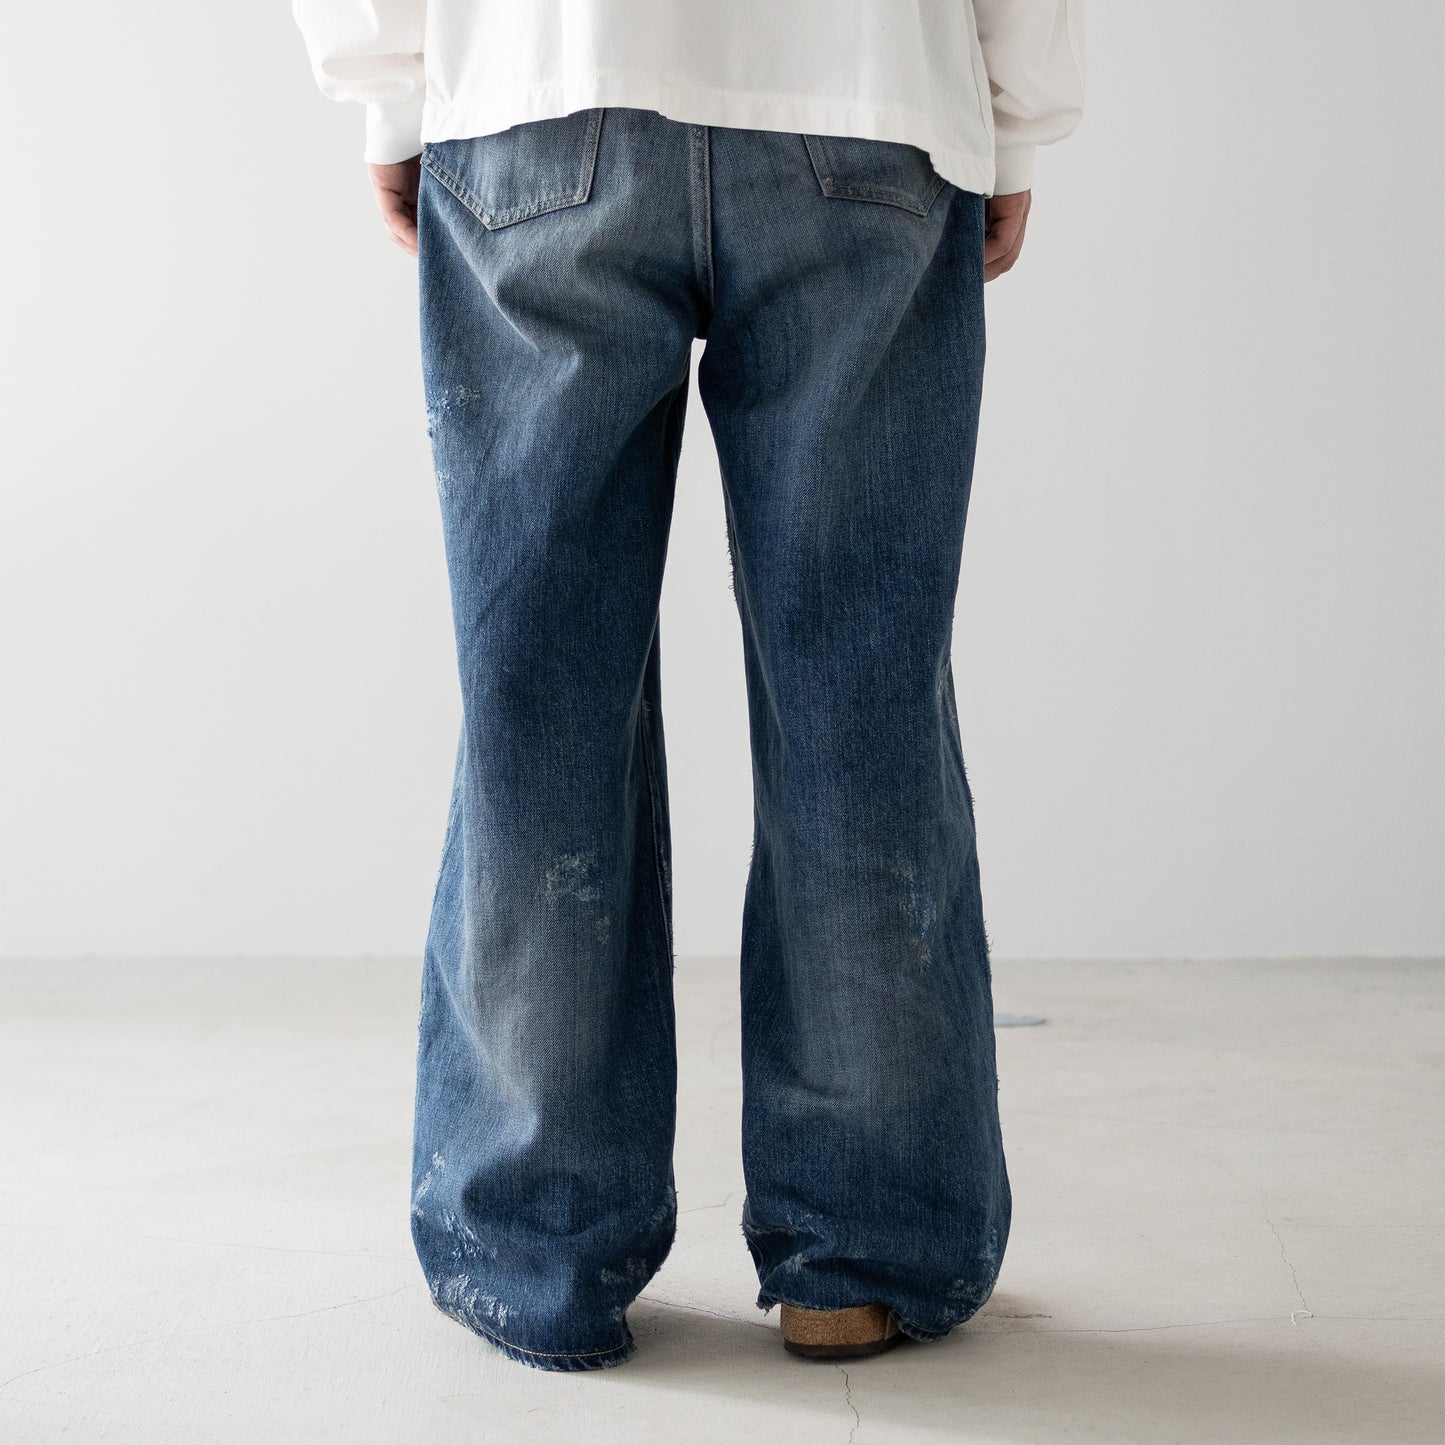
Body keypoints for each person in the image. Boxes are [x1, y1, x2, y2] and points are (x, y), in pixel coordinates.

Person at [292, 0, 1085, 1373]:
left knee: (540, 697)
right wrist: (1012, 117)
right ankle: (861, 1250)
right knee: (859, 694)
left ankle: (539, 1253)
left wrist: (388, 91)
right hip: (868, 97)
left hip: (543, 90)